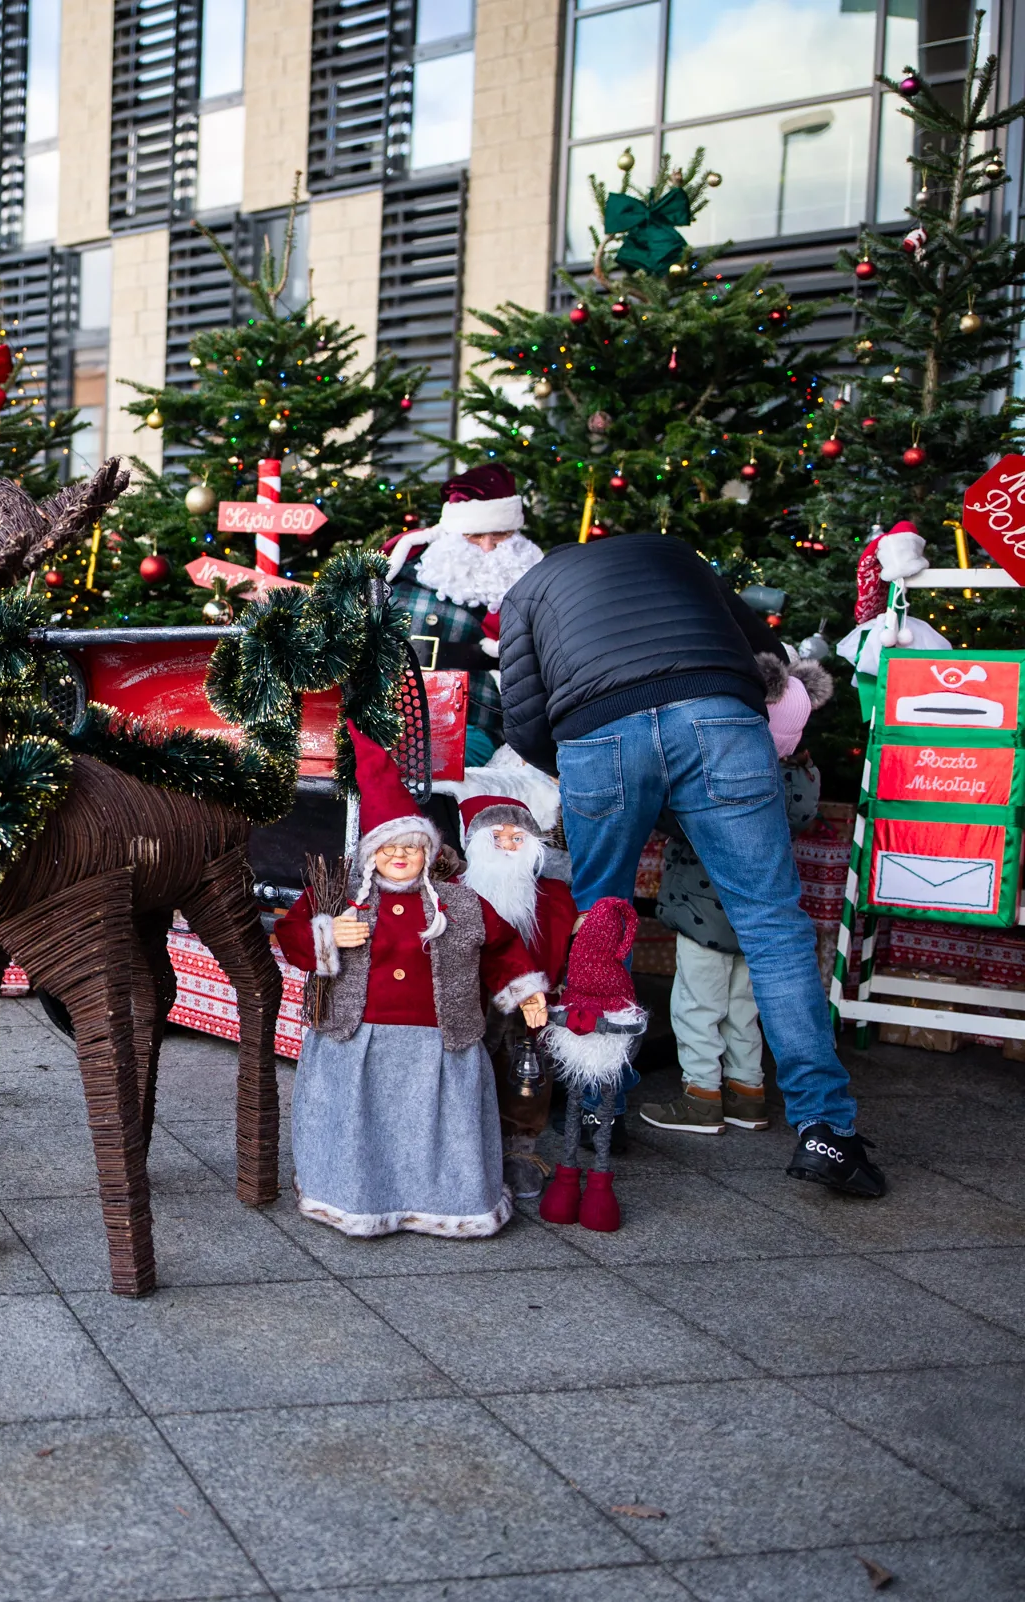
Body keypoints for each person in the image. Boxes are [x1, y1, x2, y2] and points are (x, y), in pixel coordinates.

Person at [496, 532, 886, 1198]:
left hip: (598, 729)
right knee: (772, 926)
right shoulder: (678, 554)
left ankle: (600, 1112)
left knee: (601, 924)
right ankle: (825, 1131)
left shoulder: (526, 591)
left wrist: (583, 766)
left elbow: (524, 720)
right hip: (718, 715)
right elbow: (768, 659)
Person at [274, 728, 550, 1239]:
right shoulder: (338, 897)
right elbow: (291, 937)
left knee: (437, 1130)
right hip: (358, 1038)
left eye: (411, 847)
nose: (399, 856)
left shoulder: (459, 905)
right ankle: (357, 1199)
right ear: (370, 852)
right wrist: (327, 933)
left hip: (439, 1043)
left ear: (428, 851)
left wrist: (526, 991)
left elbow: (502, 947)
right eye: (388, 847)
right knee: (364, 1126)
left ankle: (447, 1202)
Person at [644, 652, 833, 1136]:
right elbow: (804, 818)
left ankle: (702, 1096)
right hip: (758, 917)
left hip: (702, 912)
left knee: (696, 1006)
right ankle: (748, 1094)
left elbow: (674, 819)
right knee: (745, 1008)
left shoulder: (720, 772)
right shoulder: (801, 779)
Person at [382, 463, 546, 766]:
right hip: (392, 710)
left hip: (477, 715)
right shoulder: (401, 576)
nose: (487, 549)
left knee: (436, 762)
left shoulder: (531, 586)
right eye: (474, 537)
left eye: (500, 536)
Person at [457, 794, 578, 1199]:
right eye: (497, 838)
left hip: (531, 1003)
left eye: (517, 838)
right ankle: (464, 1147)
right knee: (465, 1069)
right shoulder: (455, 894)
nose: (509, 846)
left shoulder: (553, 896)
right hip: (470, 1000)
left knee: (526, 1071)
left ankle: (520, 1150)